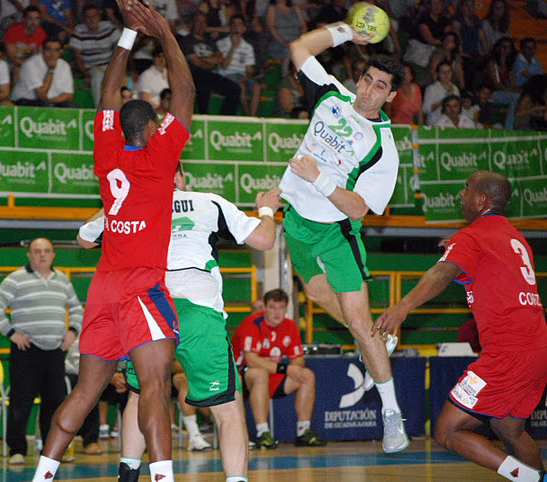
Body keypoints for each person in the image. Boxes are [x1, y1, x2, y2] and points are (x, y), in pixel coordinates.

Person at [31, 0, 195, 479]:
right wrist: (164, 33)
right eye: (159, 123)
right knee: (154, 387)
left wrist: (128, 34)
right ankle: (163, 477)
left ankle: (42, 475)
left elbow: (107, 92)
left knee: (85, 392)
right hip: (140, 286)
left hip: (102, 287)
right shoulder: (159, 157)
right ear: (152, 128)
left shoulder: (106, 151)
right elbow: (185, 91)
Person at [77, 163, 281, 480]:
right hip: (198, 307)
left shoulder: (132, 207)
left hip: (149, 308)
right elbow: (265, 240)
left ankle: (127, 476)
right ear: (181, 178)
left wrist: (125, 196)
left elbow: (84, 239)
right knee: (227, 408)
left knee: (141, 394)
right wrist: (266, 210)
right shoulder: (208, 202)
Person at [278, 21, 409, 454]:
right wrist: (348, 32)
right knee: (317, 295)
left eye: (380, 86)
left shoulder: (382, 147)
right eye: (367, 79)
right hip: (296, 222)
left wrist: (317, 178)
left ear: (391, 96)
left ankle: (392, 415)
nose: (368, 90)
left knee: (356, 321)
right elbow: (299, 47)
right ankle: (377, 339)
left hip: (335, 233)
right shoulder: (330, 95)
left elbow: (359, 209)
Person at [373, 170, 547, 482]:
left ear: (482, 199)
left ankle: (531, 478)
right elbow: (490, 265)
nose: (460, 194)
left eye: (466, 189)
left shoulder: (472, 237)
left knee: (447, 431)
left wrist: (402, 307)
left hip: (508, 352)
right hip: (538, 348)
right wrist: (457, 246)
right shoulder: (515, 237)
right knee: (508, 428)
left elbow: (441, 274)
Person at [0, 237, 83, 465]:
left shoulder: (62, 280)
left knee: (55, 403)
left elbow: (76, 309)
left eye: (47, 251)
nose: (42, 255)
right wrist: (11, 333)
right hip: (26, 350)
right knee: (21, 402)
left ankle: (51, 452)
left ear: (53, 255)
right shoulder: (16, 278)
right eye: (37, 251)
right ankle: (17, 450)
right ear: (29, 255)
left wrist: (72, 331)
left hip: (56, 351)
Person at [232, 289, 326, 449]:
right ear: (265, 308)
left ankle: (303, 431)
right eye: (272, 307)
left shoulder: (289, 326)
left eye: (281, 307)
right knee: (260, 374)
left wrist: (295, 369)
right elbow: (251, 360)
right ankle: (263, 433)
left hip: (273, 374)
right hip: (244, 374)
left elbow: (298, 359)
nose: (277, 312)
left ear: (286, 308)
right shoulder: (252, 323)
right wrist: (286, 369)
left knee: (307, 375)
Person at [179, 11, 241, 115]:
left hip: (209, 74)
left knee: (235, 89)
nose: (201, 25)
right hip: (192, 75)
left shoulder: (210, 41)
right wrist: (210, 61)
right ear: (192, 24)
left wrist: (202, 59)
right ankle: (204, 116)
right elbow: (195, 62)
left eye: (203, 22)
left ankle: (225, 118)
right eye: (198, 22)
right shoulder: (186, 41)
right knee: (204, 85)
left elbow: (219, 59)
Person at [69, 6, 122, 108]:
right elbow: (77, 56)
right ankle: (100, 109)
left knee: (119, 78)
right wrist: (85, 74)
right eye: (88, 17)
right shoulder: (79, 31)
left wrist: (118, 68)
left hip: (110, 66)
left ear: (99, 16)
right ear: (83, 19)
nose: (91, 20)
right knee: (98, 77)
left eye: (94, 16)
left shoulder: (108, 27)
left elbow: (120, 49)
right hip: (91, 68)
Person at [216, 14, 261, 116]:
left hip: (241, 76)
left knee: (256, 87)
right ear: (230, 28)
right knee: (240, 86)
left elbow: (248, 69)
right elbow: (224, 66)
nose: (236, 27)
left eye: (239, 25)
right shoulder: (221, 43)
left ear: (243, 29)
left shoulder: (248, 47)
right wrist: (233, 47)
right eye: (234, 25)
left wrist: (248, 77)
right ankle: (247, 116)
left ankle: (252, 116)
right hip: (226, 75)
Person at [11, 37, 74, 107]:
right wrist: (51, 70)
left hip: (50, 101)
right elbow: (41, 95)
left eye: (56, 50)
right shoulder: (30, 64)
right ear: (41, 49)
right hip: (25, 101)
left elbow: (68, 96)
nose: (52, 54)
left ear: (61, 52)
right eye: (48, 49)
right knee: (44, 105)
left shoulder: (64, 65)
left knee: (71, 106)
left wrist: (51, 101)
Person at [4, 6, 46, 82]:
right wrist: (29, 66)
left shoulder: (41, 33)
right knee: (17, 70)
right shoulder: (12, 30)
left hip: (28, 60)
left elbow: (39, 55)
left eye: (36, 19)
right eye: (30, 18)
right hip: (9, 60)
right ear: (24, 19)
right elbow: (11, 57)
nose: (34, 22)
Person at [424, 61, 461, 126]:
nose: (446, 74)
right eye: (443, 72)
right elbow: (425, 109)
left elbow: (459, 108)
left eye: (448, 72)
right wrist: (442, 103)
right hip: (435, 124)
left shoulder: (455, 88)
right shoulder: (432, 88)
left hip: (451, 125)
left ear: (451, 73)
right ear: (438, 74)